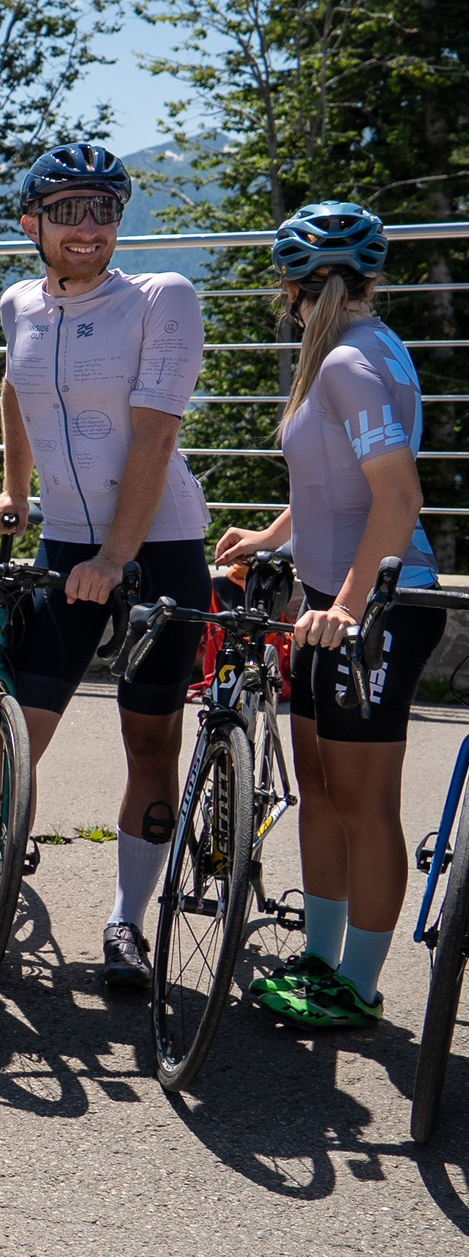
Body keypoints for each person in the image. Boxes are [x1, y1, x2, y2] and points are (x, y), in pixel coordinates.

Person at [0, 145, 209, 990]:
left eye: (104, 209)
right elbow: (17, 386)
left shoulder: (160, 298)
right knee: (10, 739)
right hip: (65, 544)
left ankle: (126, 925)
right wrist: (13, 490)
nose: (88, 227)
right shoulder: (18, 302)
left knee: (150, 738)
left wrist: (117, 554)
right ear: (30, 222)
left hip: (161, 549)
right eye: (67, 210)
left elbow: (155, 433)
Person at [213, 201, 442, 1031]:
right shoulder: (349, 353)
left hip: (373, 609)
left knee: (362, 802)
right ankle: (323, 957)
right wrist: (270, 536)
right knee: (318, 787)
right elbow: (331, 483)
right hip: (328, 604)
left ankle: (361, 986)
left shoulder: (349, 362)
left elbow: (397, 497)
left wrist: (347, 606)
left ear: (290, 287)